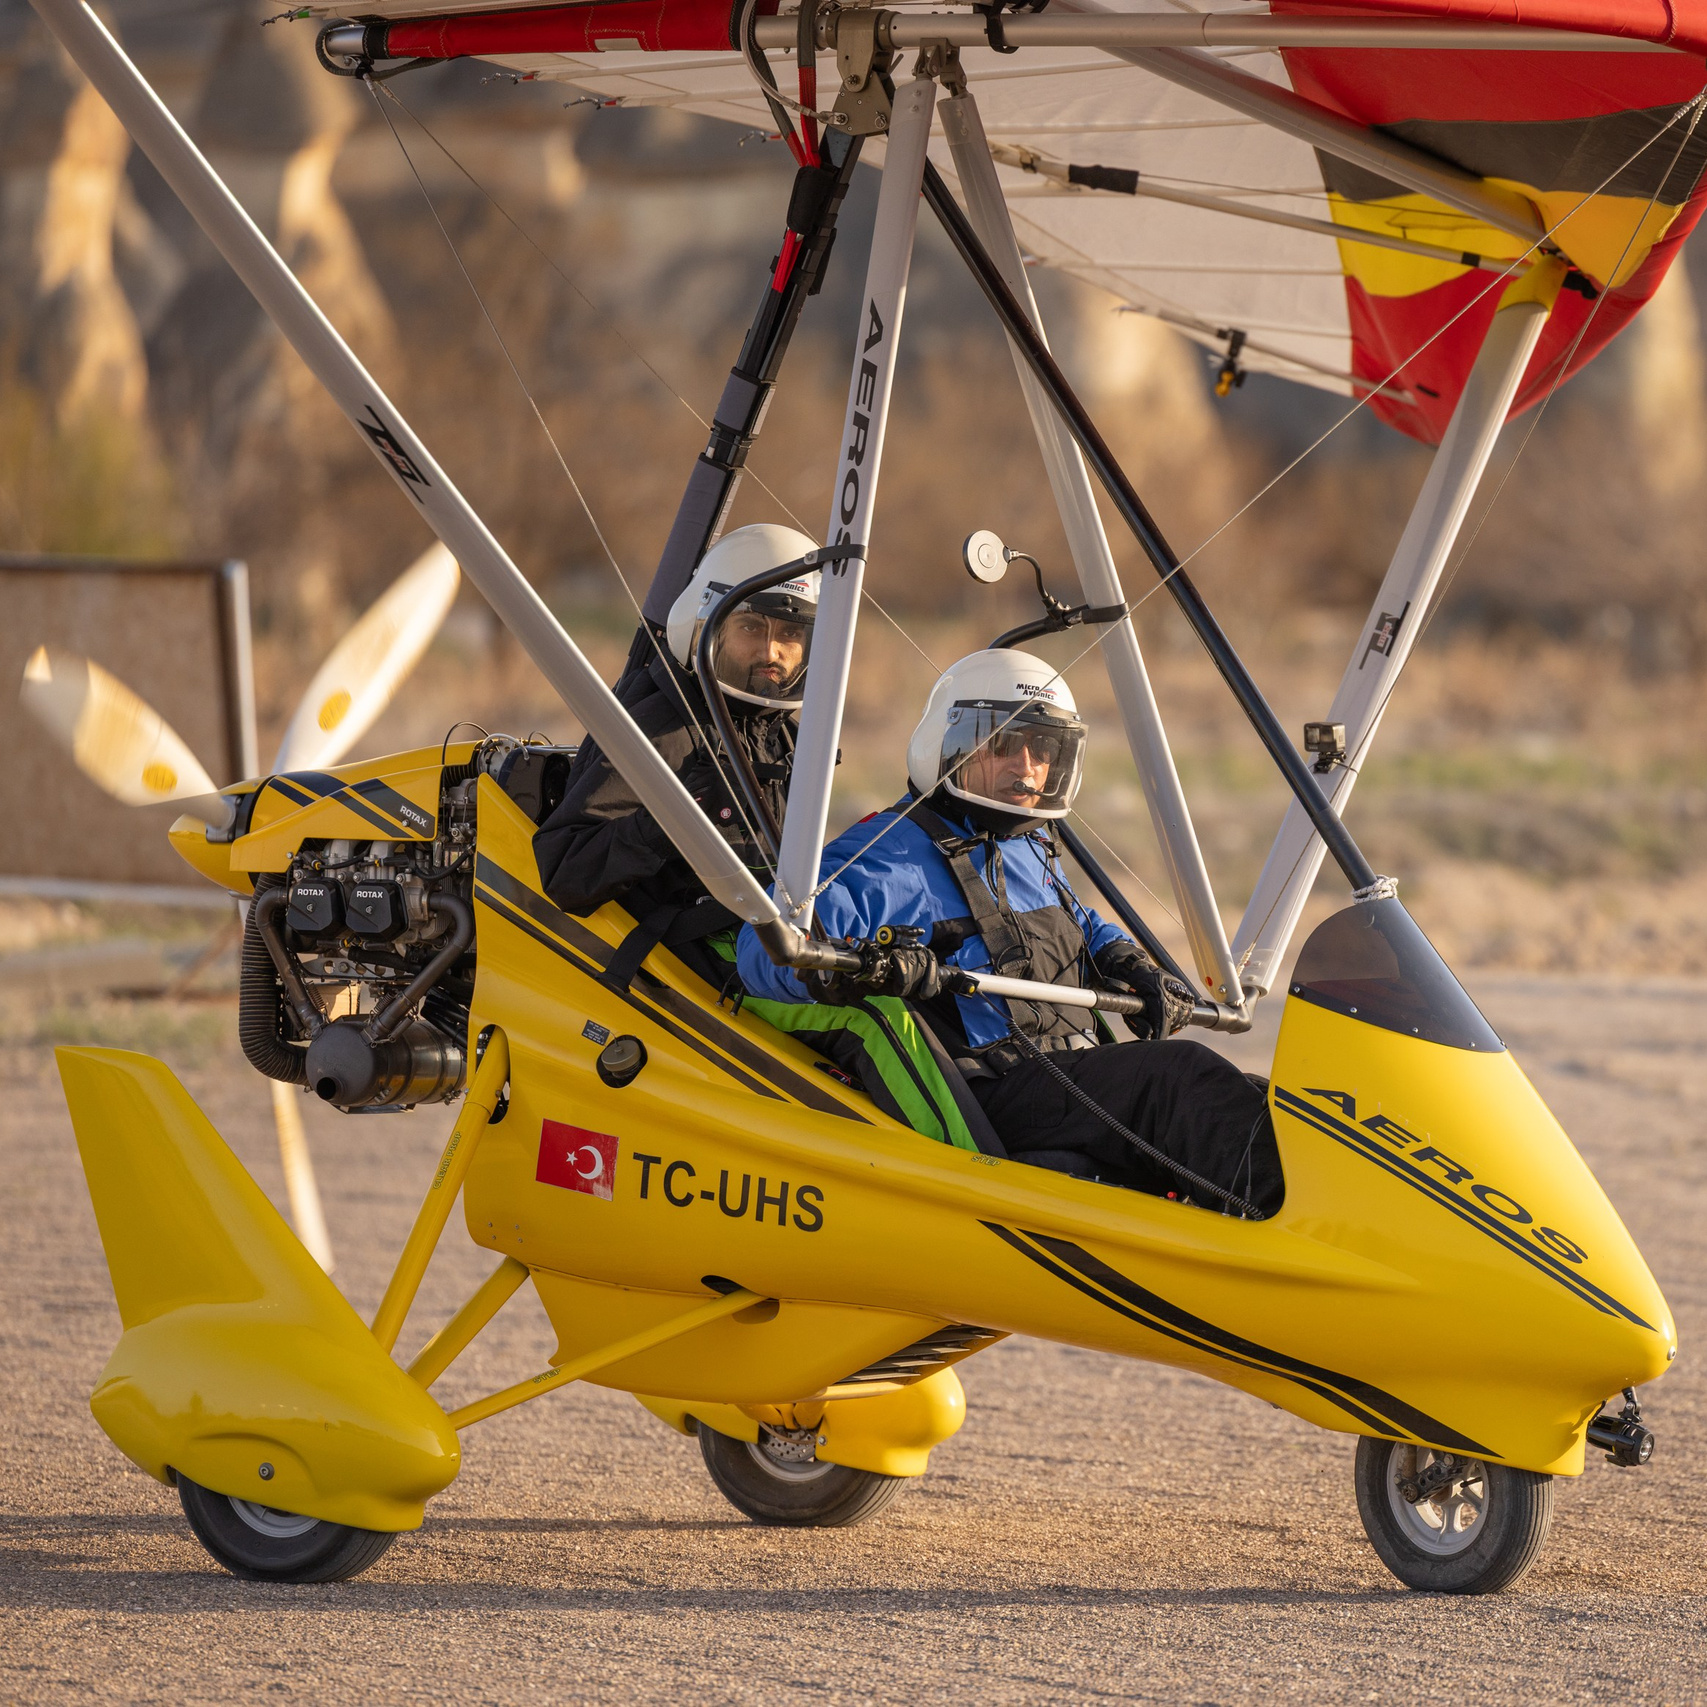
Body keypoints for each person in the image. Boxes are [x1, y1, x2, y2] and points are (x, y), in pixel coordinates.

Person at [736, 649, 1283, 1215]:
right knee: (1178, 1080)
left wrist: (1124, 958)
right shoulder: (886, 853)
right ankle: (1290, 1245)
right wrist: (861, 969)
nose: (1026, 766)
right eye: (1002, 744)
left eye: (1043, 750)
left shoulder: (1026, 846)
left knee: (1263, 1100)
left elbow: (1079, 922)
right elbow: (764, 950)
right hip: (996, 1090)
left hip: (1069, 1071)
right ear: (949, 746)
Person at [534, 523, 817, 983]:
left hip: (767, 936)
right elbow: (566, 870)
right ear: (706, 623)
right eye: (750, 627)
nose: (772, 651)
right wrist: (670, 822)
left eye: (789, 632)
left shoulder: (786, 737)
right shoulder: (665, 726)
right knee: (872, 1015)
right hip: (691, 956)